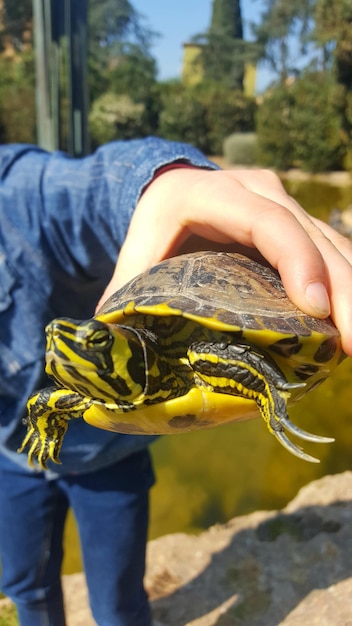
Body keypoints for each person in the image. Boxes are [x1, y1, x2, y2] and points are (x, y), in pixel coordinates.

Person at [0, 137, 352, 626]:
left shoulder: (15, 195)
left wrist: (167, 181)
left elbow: (92, 190)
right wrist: (46, 423)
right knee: (23, 586)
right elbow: (48, 405)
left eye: (94, 344)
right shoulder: (67, 398)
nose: (63, 348)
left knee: (118, 603)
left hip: (110, 460)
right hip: (15, 457)